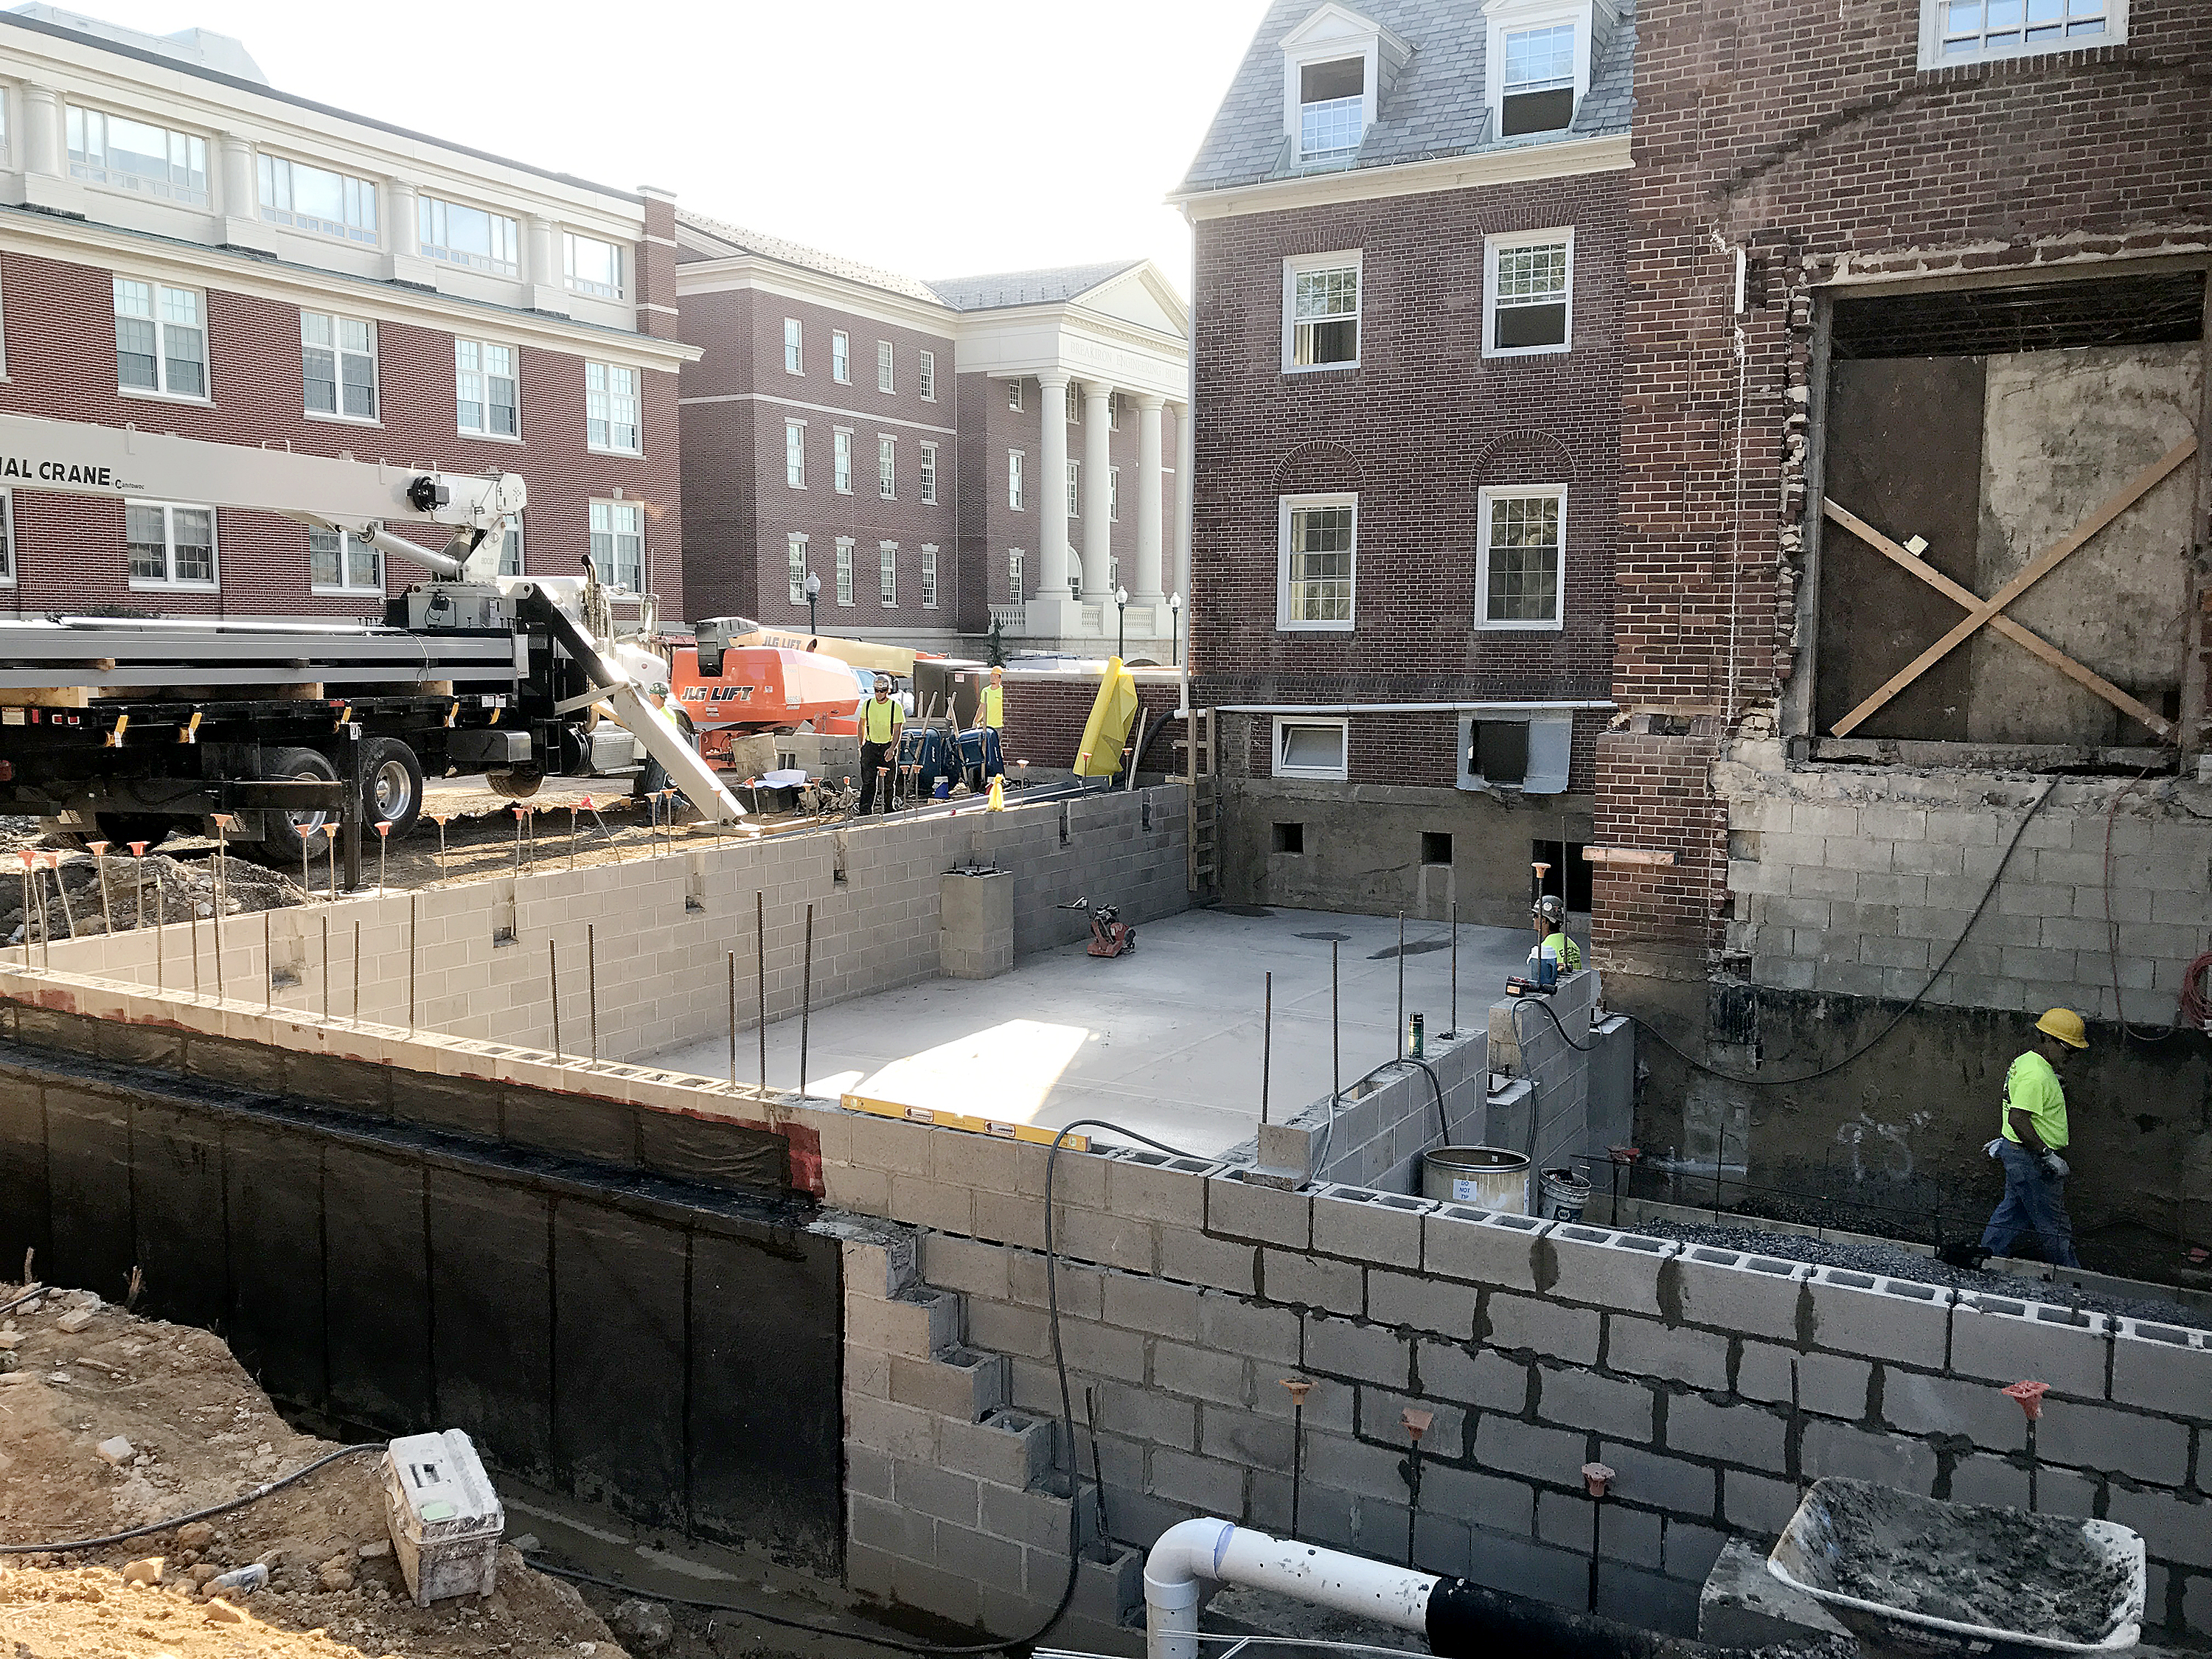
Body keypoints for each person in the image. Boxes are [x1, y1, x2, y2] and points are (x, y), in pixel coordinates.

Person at [1978, 1008, 2086, 1268]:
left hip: (2018, 1152)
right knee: (2054, 1225)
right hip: (2033, 1160)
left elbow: (2015, 1105)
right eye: (2068, 1049)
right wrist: (2047, 1155)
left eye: (2075, 1051)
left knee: (2012, 1213)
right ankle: (2073, 1279)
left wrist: (2006, 1142)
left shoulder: (2027, 1062)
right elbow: (2018, 1118)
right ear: (2049, 1039)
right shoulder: (2036, 1076)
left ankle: (1984, 1259)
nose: (2071, 1056)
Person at [856, 674, 902, 815]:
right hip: (871, 746)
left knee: (889, 783)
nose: (879, 694)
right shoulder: (868, 704)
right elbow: (862, 724)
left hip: (887, 746)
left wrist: (892, 749)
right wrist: (861, 744)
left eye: (882, 691)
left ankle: (889, 808)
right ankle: (865, 810)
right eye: (876, 690)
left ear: (888, 691)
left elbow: (897, 730)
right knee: (868, 782)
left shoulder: (895, 707)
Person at [1531, 893, 1582, 971]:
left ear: (1543, 920)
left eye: (1535, 916)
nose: (1533, 919)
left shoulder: (1545, 949)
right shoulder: (1572, 944)